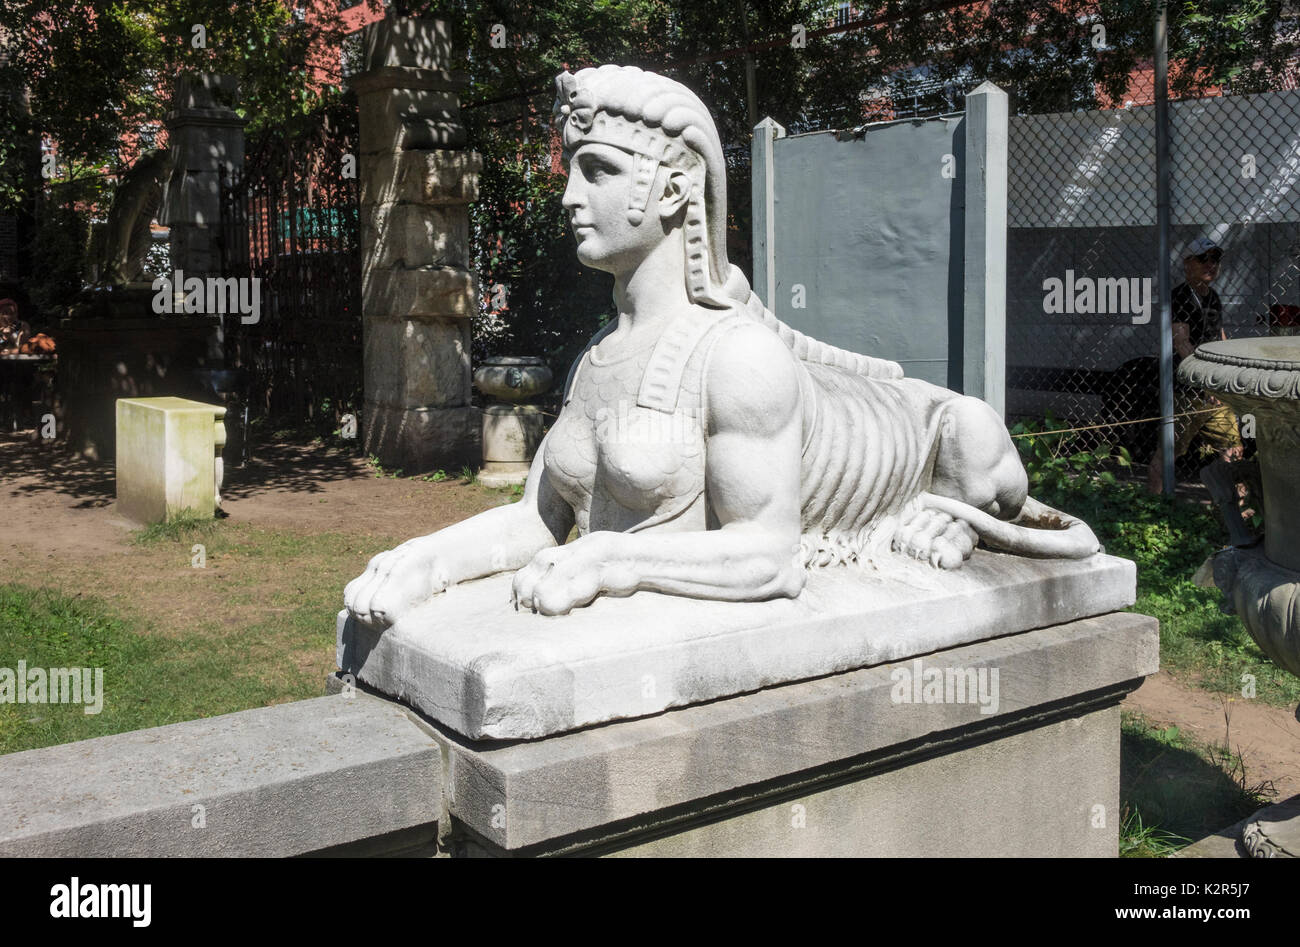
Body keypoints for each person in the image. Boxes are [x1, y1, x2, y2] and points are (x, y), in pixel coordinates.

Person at [344, 65, 1099, 624]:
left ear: (674, 191)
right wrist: (425, 560)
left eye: (598, 171)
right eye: (571, 172)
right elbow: (534, 520)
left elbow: (767, 555)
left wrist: (609, 558)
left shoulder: (737, 358)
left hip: (931, 436)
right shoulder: (597, 358)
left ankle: (953, 506)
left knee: (966, 432)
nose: (571, 196)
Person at [1146, 238, 1245, 495]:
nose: (1211, 264)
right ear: (1188, 263)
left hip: (1213, 389)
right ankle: (1154, 503)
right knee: (1169, 451)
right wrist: (1204, 380)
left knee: (1233, 449)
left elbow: (1218, 335)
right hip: (1187, 390)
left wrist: (1229, 371)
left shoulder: (1213, 297)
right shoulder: (1180, 297)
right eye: (1204, 258)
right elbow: (1181, 342)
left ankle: (1240, 513)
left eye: (1215, 259)